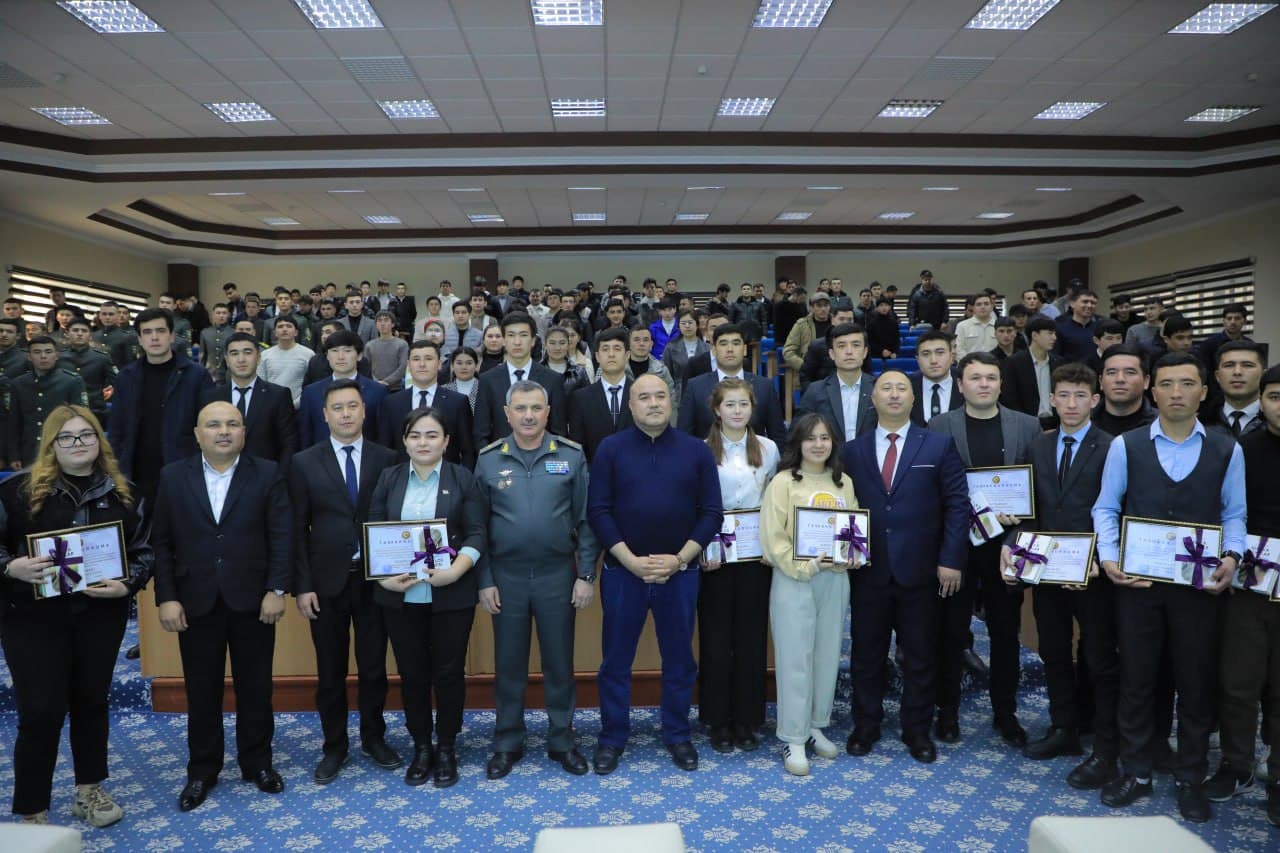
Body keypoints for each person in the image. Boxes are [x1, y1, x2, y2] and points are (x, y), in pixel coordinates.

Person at [1093, 352, 1246, 823]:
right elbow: (1106, 508)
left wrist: (1232, 556)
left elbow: (1233, 514)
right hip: (1137, 585)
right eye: (1166, 384)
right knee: (1137, 681)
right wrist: (1110, 557)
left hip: (1199, 589)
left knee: (1196, 685)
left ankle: (1189, 778)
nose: (1176, 392)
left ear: (1204, 390)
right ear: (1151, 391)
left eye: (1186, 383)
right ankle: (1137, 773)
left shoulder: (1227, 449)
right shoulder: (1127, 446)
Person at [0, 406, 151, 827]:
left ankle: (89, 790)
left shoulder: (125, 493)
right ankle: (32, 810)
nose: (78, 443)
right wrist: (10, 567)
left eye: (87, 435)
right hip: (31, 617)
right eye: (66, 437)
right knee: (40, 711)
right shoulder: (14, 493)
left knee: (91, 702)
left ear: (99, 441)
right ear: (50, 445)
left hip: (99, 616)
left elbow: (144, 551)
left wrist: (129, 584)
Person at [153, 401, 292, 812]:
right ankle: (202, 770)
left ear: (244, 432)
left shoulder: (267, 473)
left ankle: (258, 763)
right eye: (213, 425)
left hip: (253, 600)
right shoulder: (173, 476)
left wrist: (277, 589)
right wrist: (167, 596)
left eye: (233, 423)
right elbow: (161, 542)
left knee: (256, 687)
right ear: (198, 434)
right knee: (202, 690)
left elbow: (281, 536)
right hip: (195, 601)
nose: (224, 431)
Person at [588, 373, 723, 775]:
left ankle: (678, 734)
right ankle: (612, 737)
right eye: (643, 397)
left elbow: (712, 513)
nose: (653, 403)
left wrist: (680, 559)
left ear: (672, 402)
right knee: (615, 661)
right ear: (630, 406)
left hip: (678, 574)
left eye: (661, 396)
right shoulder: (610, 449)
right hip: (623, 572)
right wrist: (629, 559)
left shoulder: (696, 451)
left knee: (680, 660)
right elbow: (598, 512)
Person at [1002, 364, 1121, 788]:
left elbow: (1120, 511)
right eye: (1063, 395)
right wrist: (1014, 550)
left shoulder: (1113, 448)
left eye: (1079, 396)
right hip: (1046, 571)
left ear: (1095, 400)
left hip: (1093, 573)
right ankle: (1063, 729)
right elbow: (1025, 509)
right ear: (1052, 400)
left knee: (1100, 661)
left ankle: (1107, 742)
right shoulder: (1038, 445)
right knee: (1052, 652)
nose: (1071, 404)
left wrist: (1102, 559)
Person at [842, 371, 968, 764]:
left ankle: (917, 730)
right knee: (866, 654)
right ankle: (866, 724)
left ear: (914, 400)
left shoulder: (939, 445)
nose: (894, 395)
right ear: (873, 399)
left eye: (902, 389)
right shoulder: (852, 450)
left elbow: (958, 506)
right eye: (886, 388)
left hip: (923, 570)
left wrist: (950, 559)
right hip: (868, 570)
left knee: (920, 654)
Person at [475, 381, 598, 778]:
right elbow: (477, 527)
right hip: (506, 577)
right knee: (508, 663)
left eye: (536, 408)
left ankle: (562, 739)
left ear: (548, 412)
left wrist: (586, 576)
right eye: (520, 408)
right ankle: (507, 740)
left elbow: (586, 521)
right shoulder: (489, 460)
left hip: (557, 575)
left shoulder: (571, 455)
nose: (528, 415)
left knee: (559, 663)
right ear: (507, 414)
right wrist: (485, 579)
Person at [288, 381, 400, 784]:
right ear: (325, 414)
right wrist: (302, 586)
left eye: (354, 406)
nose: (347, 413)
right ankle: (334, 745)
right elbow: (296, 529)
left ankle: (374, 737)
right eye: (338, 408)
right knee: (330, 670)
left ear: (365, 412)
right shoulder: (303, 462)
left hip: (376, 581)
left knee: (373, 668)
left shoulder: (388, 458)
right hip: (326, 582)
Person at [367, 407, 485, 787]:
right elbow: (371, 531)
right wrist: (383, 578)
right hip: (400, 597)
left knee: (449, 674)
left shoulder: (462, 479)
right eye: (415, 435)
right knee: (412, 675)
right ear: (404, 441)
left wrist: (456, 570)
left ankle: (447, 746)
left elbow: (478, 534)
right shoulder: (389, 478)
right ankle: (421, 746)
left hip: (452, 594)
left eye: (432, 435)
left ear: (447, 441)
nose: (423, 442)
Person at [928, 351, 1041, 746]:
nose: (983, 384)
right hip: (958, 549)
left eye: (990, 377)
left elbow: (1036, 491)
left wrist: (1017, 529)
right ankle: (947, 711)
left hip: (1006, 549)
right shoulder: (939, 426)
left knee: (1006, 633)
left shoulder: (1027, 427)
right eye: (974, 378)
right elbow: (934, 490)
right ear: (960, 385)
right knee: (951, 633)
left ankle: (1005, 712)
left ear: (1000, 383)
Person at [758, 413, 853, 775]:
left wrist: (853, 555)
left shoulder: (844, 482)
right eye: (810, 438)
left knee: (828, 653)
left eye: (825, 438)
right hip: (794, 578)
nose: (818, 444)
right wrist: (803, 566)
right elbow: (773, 536)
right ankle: (792, 737)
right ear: (797, 443)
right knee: (796, 657)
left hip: (835, 579)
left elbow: (854, 531)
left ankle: (815, 726)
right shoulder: (783, 482)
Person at [1211, 364, 1280, 825]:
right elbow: (1229, 510)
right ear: (1263, 400)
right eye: (1274, 397)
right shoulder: (1243, 448)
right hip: (1252, 580)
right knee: (1239, 683)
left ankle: (1278, 777)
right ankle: (1237, 764)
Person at [697, 379, 779, 754]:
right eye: (729, 405)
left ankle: (748, 720)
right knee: (716, 641)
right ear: (717, 409)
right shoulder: (700, 451)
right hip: (714, 557)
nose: (736, 411)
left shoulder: (769, 448)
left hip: (754, 557)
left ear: (752, 408)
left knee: (750, 639)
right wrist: (702, 548)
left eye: (743, 404)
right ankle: (718, 721)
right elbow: (697, 506)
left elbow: (775, 502)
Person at [106, 308, 213, 507]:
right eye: (147, 332)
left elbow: (208, 426)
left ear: (172, 336)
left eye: (161, 331)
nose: (154, 338)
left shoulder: (196, 375)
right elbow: (117, 428)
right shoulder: (126, 377)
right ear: (139, 339)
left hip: (182, 469)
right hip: (136, 472)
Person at [199, 331, 300, 473]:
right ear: (227, 360)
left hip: (266, 478)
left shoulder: (278, 395)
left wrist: (279, 478)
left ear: (258, 357)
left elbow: (289, 443)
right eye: (234, 353)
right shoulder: (211, 397)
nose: (241, 359)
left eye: (247, 352)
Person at [472, 313, 568, 448]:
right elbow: (481, 431)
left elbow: (559, 432)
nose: (517, 342)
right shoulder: (488, 379)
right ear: (504, 340)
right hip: (500, 461)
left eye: (523, 335)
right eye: (511, 335)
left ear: (533, 340)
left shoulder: (553, 379)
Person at [679, 324, 785, 444]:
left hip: (755, 459)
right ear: (714, 350)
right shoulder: (695, 387)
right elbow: (684, 435)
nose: (730, 349)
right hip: (708, 460)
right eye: (723, 344)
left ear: (744, 349)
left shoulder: (764, 386)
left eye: (736, 343)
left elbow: (778, 435)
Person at [379, 341, 474, 468]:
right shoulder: (391, 403)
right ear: (408, 365)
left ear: (439, 364)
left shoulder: (458, 402)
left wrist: (462, 482)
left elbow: (468, 450)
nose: (422, 364)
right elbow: (385, 450)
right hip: (402, 480)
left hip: (446, 481)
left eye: (428, 359)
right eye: (416, 359)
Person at [7, 336, 89, 469]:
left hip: (62, 447)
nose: (43, 356)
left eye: (48, 352)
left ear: (56, 355)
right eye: (37, 352)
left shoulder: (71, 381)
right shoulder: (18, 383)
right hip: (29, 450)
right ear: (29, 356)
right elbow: (14, 422)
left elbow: (81, 418)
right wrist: (14, 455)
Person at [298, 330, 386, 448]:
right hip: (321, 461)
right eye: (334, 351)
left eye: (347, 351)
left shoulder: (378, 391)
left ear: (359, 355)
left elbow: (382, 434)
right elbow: (305, 434)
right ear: (327, 356)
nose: (340, 357)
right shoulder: (311, 392)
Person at [796, 322, 876, 442]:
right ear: (832, 354)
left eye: (856, 345)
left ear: (865, 352)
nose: (849, 351)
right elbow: (798, 434)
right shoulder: (815, 391)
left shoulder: (879, 389)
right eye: (841, 346)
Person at [568, 328, 634, 461]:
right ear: (597, 357)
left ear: (627, 355)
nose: (611, 354)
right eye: (605, 349)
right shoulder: (581, 398)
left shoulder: (641, 393)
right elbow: (577, 446)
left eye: (617, 349)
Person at [1001, 317, 1065, 430]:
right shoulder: (1014, 362)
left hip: (1056, 423)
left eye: (1055, 334)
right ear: (1034, 335)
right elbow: (1009, 398)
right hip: (1025, 423)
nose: (1054, 338)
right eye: (1050, 333)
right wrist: (1026, 423)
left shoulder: (1059, 363)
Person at [56, 316, 116, 427]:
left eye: (84, 331)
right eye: (75, 330)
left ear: (90, 335)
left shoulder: (102, 358)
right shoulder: (58, 357)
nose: (79, 334)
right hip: (64, 411)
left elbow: (118, 382)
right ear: (67, 334)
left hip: (95, 411)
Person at [1204, 341, 1266, 437]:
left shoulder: (1274, 421)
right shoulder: (1200, 423)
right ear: (1217, 376)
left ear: (1263, 374)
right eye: (1229, 365)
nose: (1237, 372)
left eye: (1247, 365)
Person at [1093, 345, 1157, 436]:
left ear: (1146, 381)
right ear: (1100, 381)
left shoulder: (1162, 424)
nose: (1120, 379)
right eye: (1111, 373)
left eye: (1130, 372)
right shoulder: (1083, 422)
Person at [257, 315, 315, 406]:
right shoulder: (265, 355)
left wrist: (297, 403)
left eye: (289, 326)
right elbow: (261, 383)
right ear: (275, 333)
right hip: (271, 405)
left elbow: (311, 384)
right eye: (280, 327)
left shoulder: (308, 354)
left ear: (296, 332)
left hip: (300, 406)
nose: (284, 329)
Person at [909, 331, 962, 427]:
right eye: (926, 354)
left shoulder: (966, 383)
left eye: (940, 353)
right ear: (917, 359)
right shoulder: (907, 385)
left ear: (951, 356)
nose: (933, 361)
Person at [797, 306, 856, 391]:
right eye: (841, 319)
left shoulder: (860, 345)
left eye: (850, 320)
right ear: (832, 320)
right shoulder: (817, 346)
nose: (846, 323)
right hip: (823, 396)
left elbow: (867, 373)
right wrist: (816, 395)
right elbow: (805, 377)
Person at [661, 309, 709, 403]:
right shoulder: (671, 347)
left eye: (690, 322)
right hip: (677, 395)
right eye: (683, 323)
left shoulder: (707, 348)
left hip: (703, 393)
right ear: (678, 326)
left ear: (697, 325)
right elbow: (666, 374)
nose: (687, 326)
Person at [782, 293, 832, 374]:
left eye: (826, 305)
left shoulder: (836, 323)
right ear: (811, 308)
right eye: (819, 306)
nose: (823, 309)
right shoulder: (801, 325)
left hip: (832, 371)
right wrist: (804, 366)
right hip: (809, 372)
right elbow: (788, 352)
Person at [1196, 303, 1251, 374]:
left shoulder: (1250, 345)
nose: (1233, 322)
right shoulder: (1209, 344)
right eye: (1229, 318)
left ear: (1244, 321)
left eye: (1237, 318)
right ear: (1224, 321)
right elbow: (1205, 373)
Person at [541, 325, 590, 399]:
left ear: (568, 345)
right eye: (552, 343)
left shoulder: (579, 372)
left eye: (562, 343)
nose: (557, 348)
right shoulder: (537, 370)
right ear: (545, 345)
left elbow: (588, 398)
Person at [365, 311, 409, 390]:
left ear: (392, 324)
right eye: (379, 320)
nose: (382, 323)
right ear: (376, 325)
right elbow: (366, 367)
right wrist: (376, 381)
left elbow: (403, 367)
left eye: (386, 320)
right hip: (374, 386)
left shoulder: (402, 344)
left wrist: (386, 381)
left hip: (396, 388)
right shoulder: (369, 345)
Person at [1054, 290, 1099, 363]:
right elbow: (1055, 356)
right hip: (1070, 372)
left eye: (1093, 303)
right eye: (1085, 302)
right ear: (1072, 304)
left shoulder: (1099, 328)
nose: (1089, 305)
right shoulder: (1060, 328)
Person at [954, 293, 998, 359]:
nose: (983, 307)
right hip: (969, 366)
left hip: (995, 366)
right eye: (978, 304)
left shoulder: (998, 326)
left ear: (992, 307)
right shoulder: (962, 326)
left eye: (986, 304)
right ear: (973, 308)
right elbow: (958, 349)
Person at [199, 304, 233, 382]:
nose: (221, 315)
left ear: (228, 315)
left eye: (224, 313)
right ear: (213, 315)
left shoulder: (233, 333)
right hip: (209, 375)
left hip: (227, 375)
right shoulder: (205, 333)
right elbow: (202, 355)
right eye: (218, 313)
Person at [444, 346, 481, 414]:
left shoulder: (485, 389)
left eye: (469, 363)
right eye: (459, 363)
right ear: (452, 366)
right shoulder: (443, 390)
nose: (464, 367)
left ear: (476, 365)